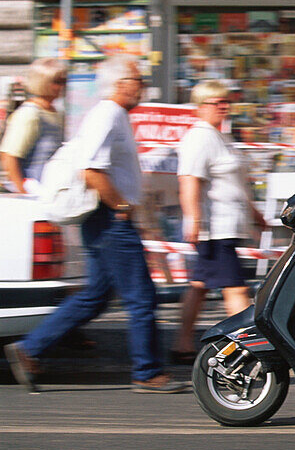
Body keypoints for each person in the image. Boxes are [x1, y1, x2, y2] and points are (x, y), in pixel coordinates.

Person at [4, 55, 188, 393]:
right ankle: (147, 372)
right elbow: (91, 170)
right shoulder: (107, 115)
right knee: (141, 296)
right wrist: (120, 207)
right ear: (120, 85)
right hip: (109, 218)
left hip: (105, 217)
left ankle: (28, 349)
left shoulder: (112, 116)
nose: (142, 86)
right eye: (137, 79)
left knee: (96, 295)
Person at [169, 81, 266, 364]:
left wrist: (254, 212)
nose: (223, 107)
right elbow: (189, 181)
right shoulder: (199, 137)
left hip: (226, 225)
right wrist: (194, 221)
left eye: (226, 101)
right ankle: (249, 346)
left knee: (199, 285)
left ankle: (182, 344)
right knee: (235, 288)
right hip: (216, 228)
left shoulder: (220, 136)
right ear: (200, 106)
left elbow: (235, 182)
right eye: (216, 102)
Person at [1, 58, 67, 194]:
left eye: (64, 81)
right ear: (43, 82)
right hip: (33, 194)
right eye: (57, 82)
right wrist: (24, 193)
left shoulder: (56, 112)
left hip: (50, 193)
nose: (62, 86)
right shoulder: (30, 113)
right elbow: (9, 156)